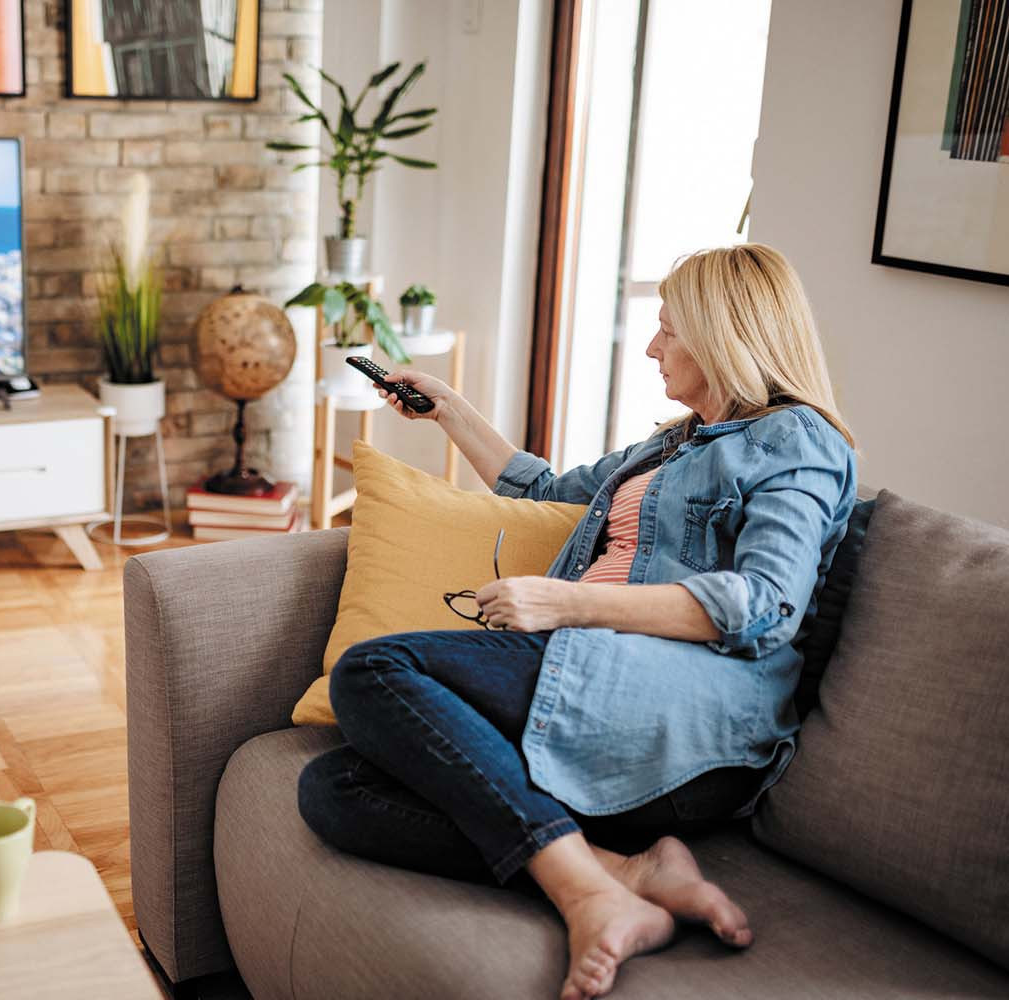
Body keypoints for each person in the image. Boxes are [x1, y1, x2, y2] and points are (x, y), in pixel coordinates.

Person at [297, 244, 858, 1000]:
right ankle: (626, 870)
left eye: (669, 330)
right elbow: (548, 487)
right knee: (334, 791)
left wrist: (564, 602)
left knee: (372, 670)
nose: (654, 347)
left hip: (682, 723)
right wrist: (448, 409)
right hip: (590, 695)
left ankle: (585, 896)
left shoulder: (796, 442)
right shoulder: (674, 443)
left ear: (725, 334)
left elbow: (766, 605)